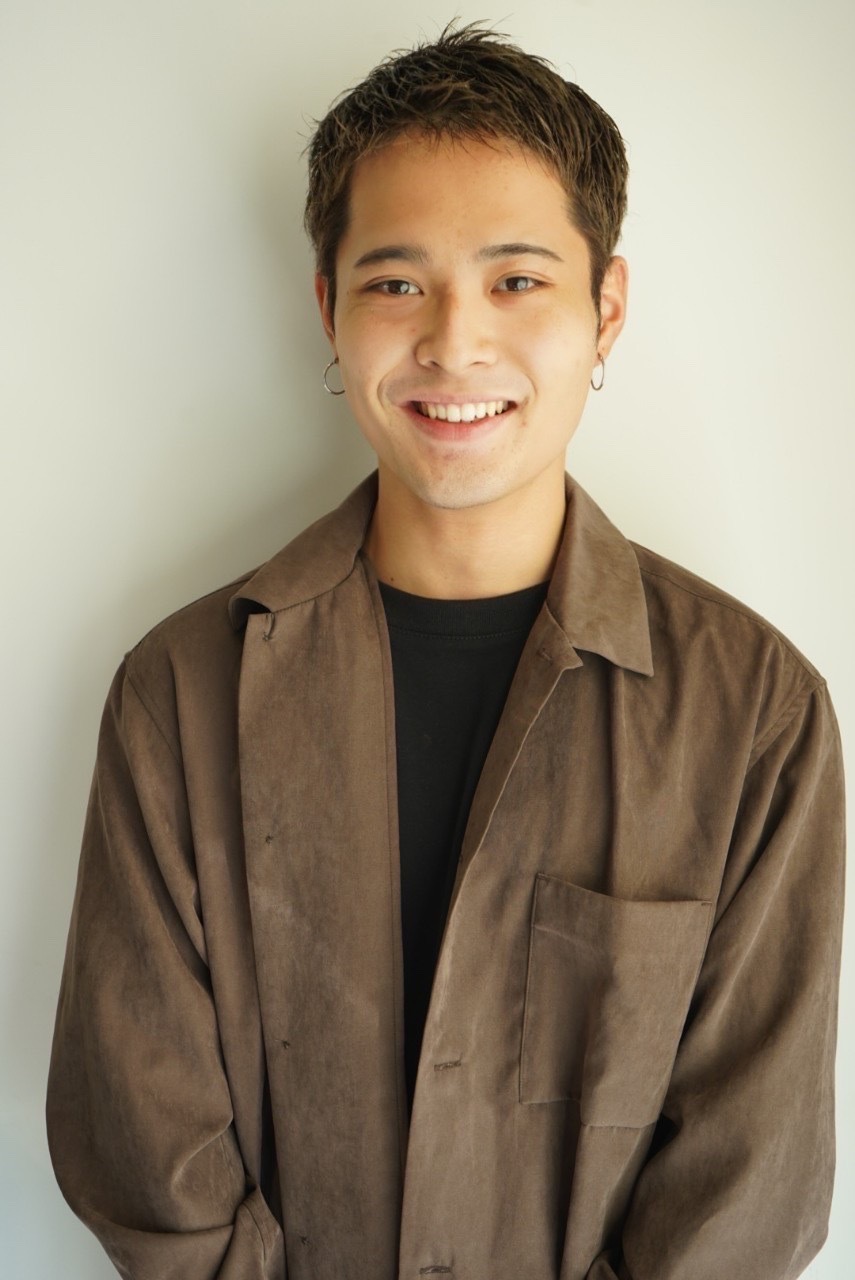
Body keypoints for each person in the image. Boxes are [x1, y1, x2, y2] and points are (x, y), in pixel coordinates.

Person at [47, 22, 845, 1280]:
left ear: (607, 309)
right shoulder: (181, 694)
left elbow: (744, 1195)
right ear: (329, 308)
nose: (455, 342)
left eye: (517, 280)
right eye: (396, 283)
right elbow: (146, 1156)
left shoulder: (756, 717)